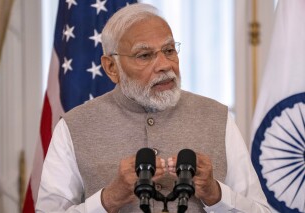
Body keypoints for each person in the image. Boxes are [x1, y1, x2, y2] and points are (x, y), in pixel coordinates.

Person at [36, 3, 271, 213]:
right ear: (111, 67)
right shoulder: (75, 126)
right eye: (145, 55)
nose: (165, 65)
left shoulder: (217, 117)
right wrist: (108, 199)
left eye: (169, 50)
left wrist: (216, 195)